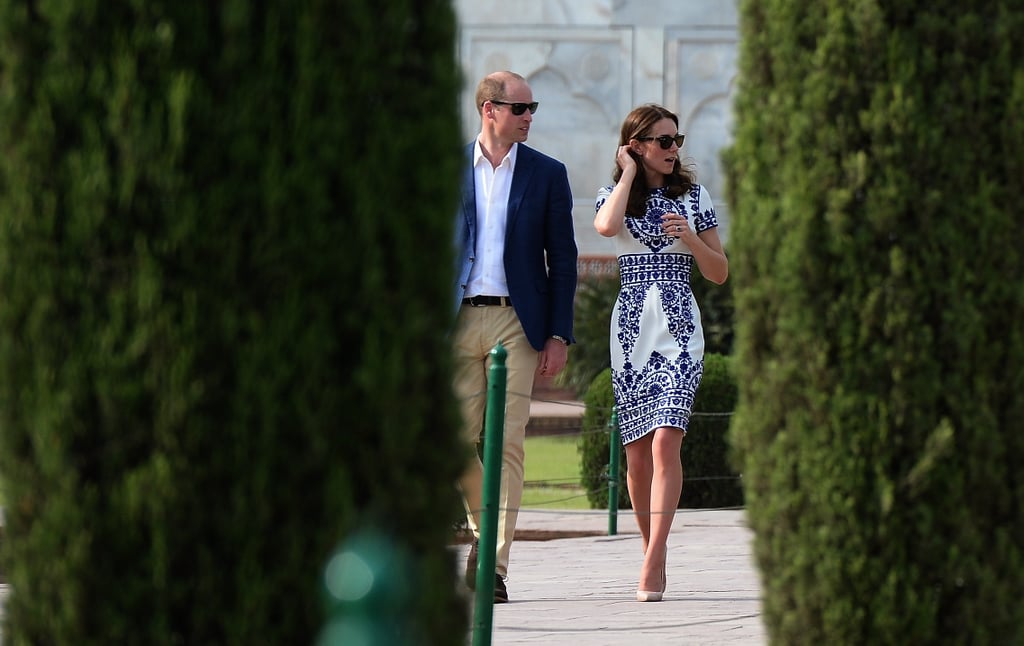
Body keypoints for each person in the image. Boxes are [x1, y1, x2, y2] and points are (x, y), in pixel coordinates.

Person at [593, 103, 728, 602]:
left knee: (666, 439)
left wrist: (691, 239)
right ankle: (656, 551)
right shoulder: (616, 195)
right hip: (631, 327)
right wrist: (628, 174)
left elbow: (720, 272)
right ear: (637, 145)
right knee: (634, 454)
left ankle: (652, 562)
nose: (674, 150)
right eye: (663, 141)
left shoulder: (695, 197)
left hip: (678, 322)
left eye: (677, 140)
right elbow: (606, 228)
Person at [453, 71, 578, 603]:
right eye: (521, 108)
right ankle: (483, 530)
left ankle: (492, 565)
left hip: (518, 322)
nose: (530, 117)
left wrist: (558, 333)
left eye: (533, 109)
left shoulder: (548, 173)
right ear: (489, 109)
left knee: (507, 444)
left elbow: (564, 257)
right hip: (455, 317)